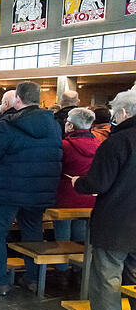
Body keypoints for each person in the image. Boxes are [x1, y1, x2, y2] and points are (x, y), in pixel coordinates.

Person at [0, 81, 62, 296]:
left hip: (7, 189)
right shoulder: (53, 125)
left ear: (17, 99)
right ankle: (32, 279)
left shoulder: (6, 125)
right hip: (40, 189)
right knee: (32, 232)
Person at [71, 90, 136, 310]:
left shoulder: (118, 142)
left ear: (122, 113)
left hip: (116, 222)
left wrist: (79, 183)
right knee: (134, 279)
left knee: (107, 278)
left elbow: (99, 182)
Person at [52, 107, 99, 272]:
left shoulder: (64, 145)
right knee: (80, 233)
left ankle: (62, 269)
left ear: (71, 126)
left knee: (63, 234)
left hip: (65, 197)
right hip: (89, 197)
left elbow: (56, 169)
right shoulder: (99, 144)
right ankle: (79, 269)